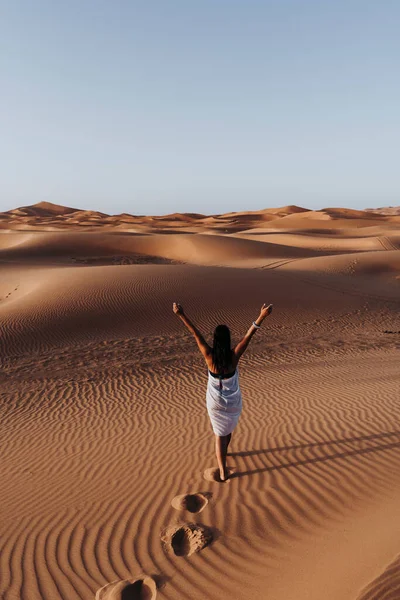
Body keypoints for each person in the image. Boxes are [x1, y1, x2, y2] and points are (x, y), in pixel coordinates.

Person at [173, 302, 273, 481]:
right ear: (227, 340)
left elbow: (195, 333)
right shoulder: (233, 356)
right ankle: (224, 457)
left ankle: (222, 469)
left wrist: (181, 314)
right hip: (233, 401)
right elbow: (248, 336)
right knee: (228, 429)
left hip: (215, 402)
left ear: (215, 340)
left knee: (219, 434)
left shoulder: (209, 356)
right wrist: (261, 317)